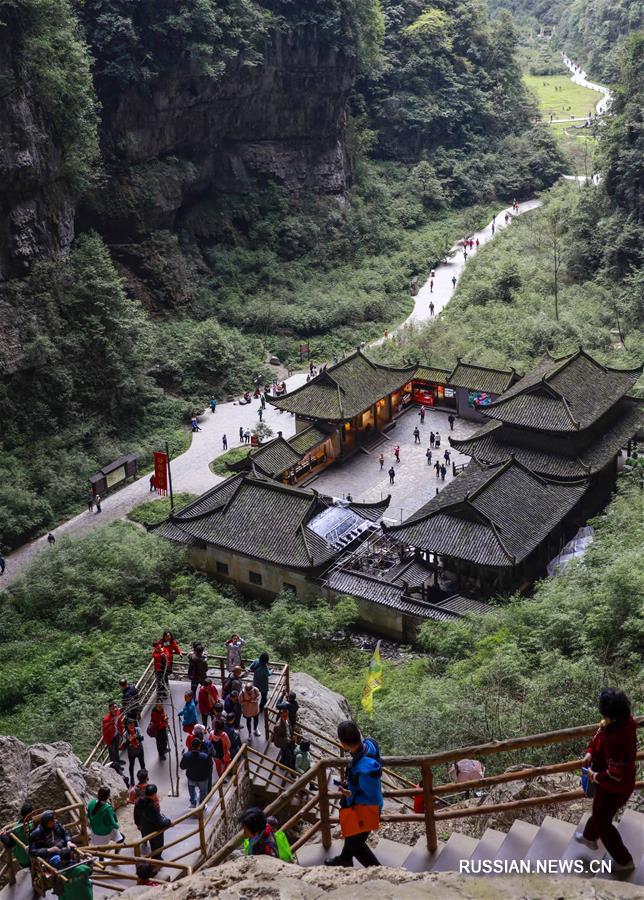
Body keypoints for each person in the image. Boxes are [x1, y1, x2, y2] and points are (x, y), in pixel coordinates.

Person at [574, 689, 637, 872]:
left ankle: (624, 861)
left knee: (603, 822)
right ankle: (589, 837)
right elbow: (599, 736)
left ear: (609, 714)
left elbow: (615, 774)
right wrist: (590, 752)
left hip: (614, 788)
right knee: (600, 813)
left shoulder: (616, 738)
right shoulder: (624, 722)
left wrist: (594, 776)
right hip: (618, 784)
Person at [324, 721, 382, 868]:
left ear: (344, 744)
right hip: (366, 804)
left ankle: (380, 872)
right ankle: (345, 858)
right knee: (351, 836)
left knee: (356, 844)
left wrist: (349, 793)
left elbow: (370, 795)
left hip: (367, 809)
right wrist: (351, 785)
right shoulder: (370, 745)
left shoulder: (363, 770)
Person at [133, 785, 172, 860]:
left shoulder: (138, 801)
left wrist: (138, 824)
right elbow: (160, 823)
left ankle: (155, 859)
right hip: (154, 831)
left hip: (144, 827)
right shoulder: (152, 806)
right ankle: (156, 860)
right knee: (157, 848)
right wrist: (168, 822)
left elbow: (136, 815)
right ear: (154, 794)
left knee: (149, 841)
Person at [0, 802, 34, 870]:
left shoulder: (16, 830)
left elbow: (10, 844)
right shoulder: (32, 824)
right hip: (32, 856)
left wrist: (2, 835)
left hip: (24, 859)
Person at [180, 737, 212, 807]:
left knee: (191, 790)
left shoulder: (186, 755)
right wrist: (207, 775)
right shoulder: (205, 756)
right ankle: (201, 805)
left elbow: (182, 766)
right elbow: (210, 767)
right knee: (203, 792)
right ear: (199, 746)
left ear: (191, 746)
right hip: (202, 778)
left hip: (191, 777)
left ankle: (193, 803)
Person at [122, 719, 146, 786]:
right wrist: (129, 740)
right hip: (131, 752)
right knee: (131, 765)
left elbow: (142, 738)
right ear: (127, 726)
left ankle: (144, 776)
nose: (132, 726)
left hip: (139, 749)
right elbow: (124, 744)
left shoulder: (138, 729)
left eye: (132, 724)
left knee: (142, 764)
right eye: (130, 725)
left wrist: (136, 736)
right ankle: (132, 778)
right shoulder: (125, 734)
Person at [102, 702, 124, 772]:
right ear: (110, 710)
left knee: (117, 750)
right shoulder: (106, 719)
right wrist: (109, 743)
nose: (115, 709)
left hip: (117, 734)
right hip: (111, 738)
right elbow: (105, 733)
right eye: (112, 708)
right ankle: (115, 769)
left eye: (115, 707)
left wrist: (121, 733)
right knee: (112, 754)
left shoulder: (118, 713)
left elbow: (119, 723)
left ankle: (118, 763)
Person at [272, 704, 296, 769]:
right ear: (281, 715)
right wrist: (287, 739)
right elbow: (277, 738)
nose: (286, 717)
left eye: (287, 715)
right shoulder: (278, 727)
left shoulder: (287, 720)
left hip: (288, 739)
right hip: (283, 743)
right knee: (286, 753)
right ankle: (282, 764)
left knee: (286, 753)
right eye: (284, 716)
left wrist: (291, 736)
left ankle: (284, 762)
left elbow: (289, 727)